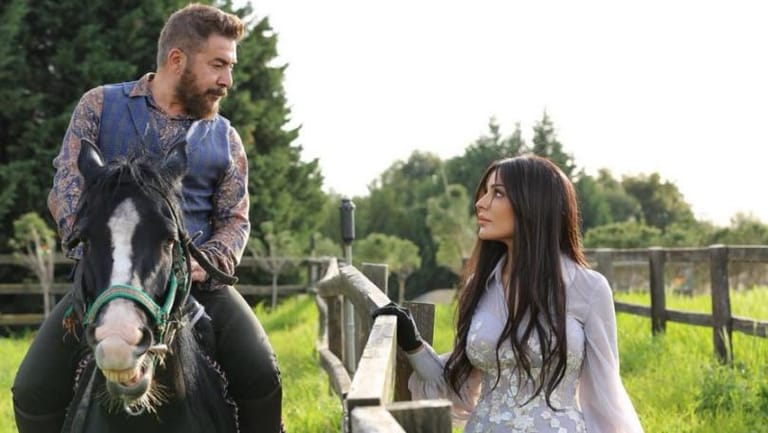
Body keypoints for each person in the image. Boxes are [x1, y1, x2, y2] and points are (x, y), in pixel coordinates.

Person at [12, 4, 283, 433]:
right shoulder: (99, 105)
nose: (227, 80)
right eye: (218, 65)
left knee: (262, 372)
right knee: (32, 388)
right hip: (107, 279)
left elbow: (235, 217)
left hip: (197, 284)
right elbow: (66, 187)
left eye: (230, 67)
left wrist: (207, 262)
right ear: (177, 59)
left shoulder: (225, 137)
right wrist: (98, 252)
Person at [374, 155, 643, 433]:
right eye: (485, 192)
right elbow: (453, 382)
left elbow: (605, 395)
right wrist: (414, 344)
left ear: (534, 204)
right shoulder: (479, 287)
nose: (481, 203)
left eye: (498, 193)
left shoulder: (589, 288)